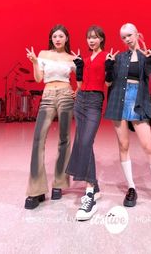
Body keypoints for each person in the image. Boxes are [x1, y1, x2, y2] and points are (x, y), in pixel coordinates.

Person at [105, 23, 151, 216]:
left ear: (137, 34)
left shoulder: (146, 57)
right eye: (123, 37)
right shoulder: (118, 57)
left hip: (138, 102)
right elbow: (109, 82)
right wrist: (109, 68)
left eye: (129, 35)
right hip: (118, 101)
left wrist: (146, 49)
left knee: (148, 146)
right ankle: (131, 187)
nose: (126, 39)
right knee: (123, 146)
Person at [66, 25, 118, 221]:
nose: (91, 40)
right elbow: (79, 86)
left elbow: (108, 84)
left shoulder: (106, 57)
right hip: (80, 102)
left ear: (102, 39)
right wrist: (79, 67)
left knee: (86, 142)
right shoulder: (85, 60)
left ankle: (89, 197)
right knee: (82, 142)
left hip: (95, 101)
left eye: (95, 37)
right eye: (89, 38)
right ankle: (93, 187)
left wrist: (110, 67)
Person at [24, 24, 76, 209]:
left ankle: (59, 183)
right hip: (47, 95)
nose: (58, 39)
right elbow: (39, 78)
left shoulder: (71, 58)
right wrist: (34, 62)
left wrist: (76, 91)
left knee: (64, 140)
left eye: (61, 36)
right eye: (54, 36)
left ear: (66, 38)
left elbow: (81, 79)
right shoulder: (43, 54)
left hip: (65, 95)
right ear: (51, 39)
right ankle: (36, 189)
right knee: (38, 139)